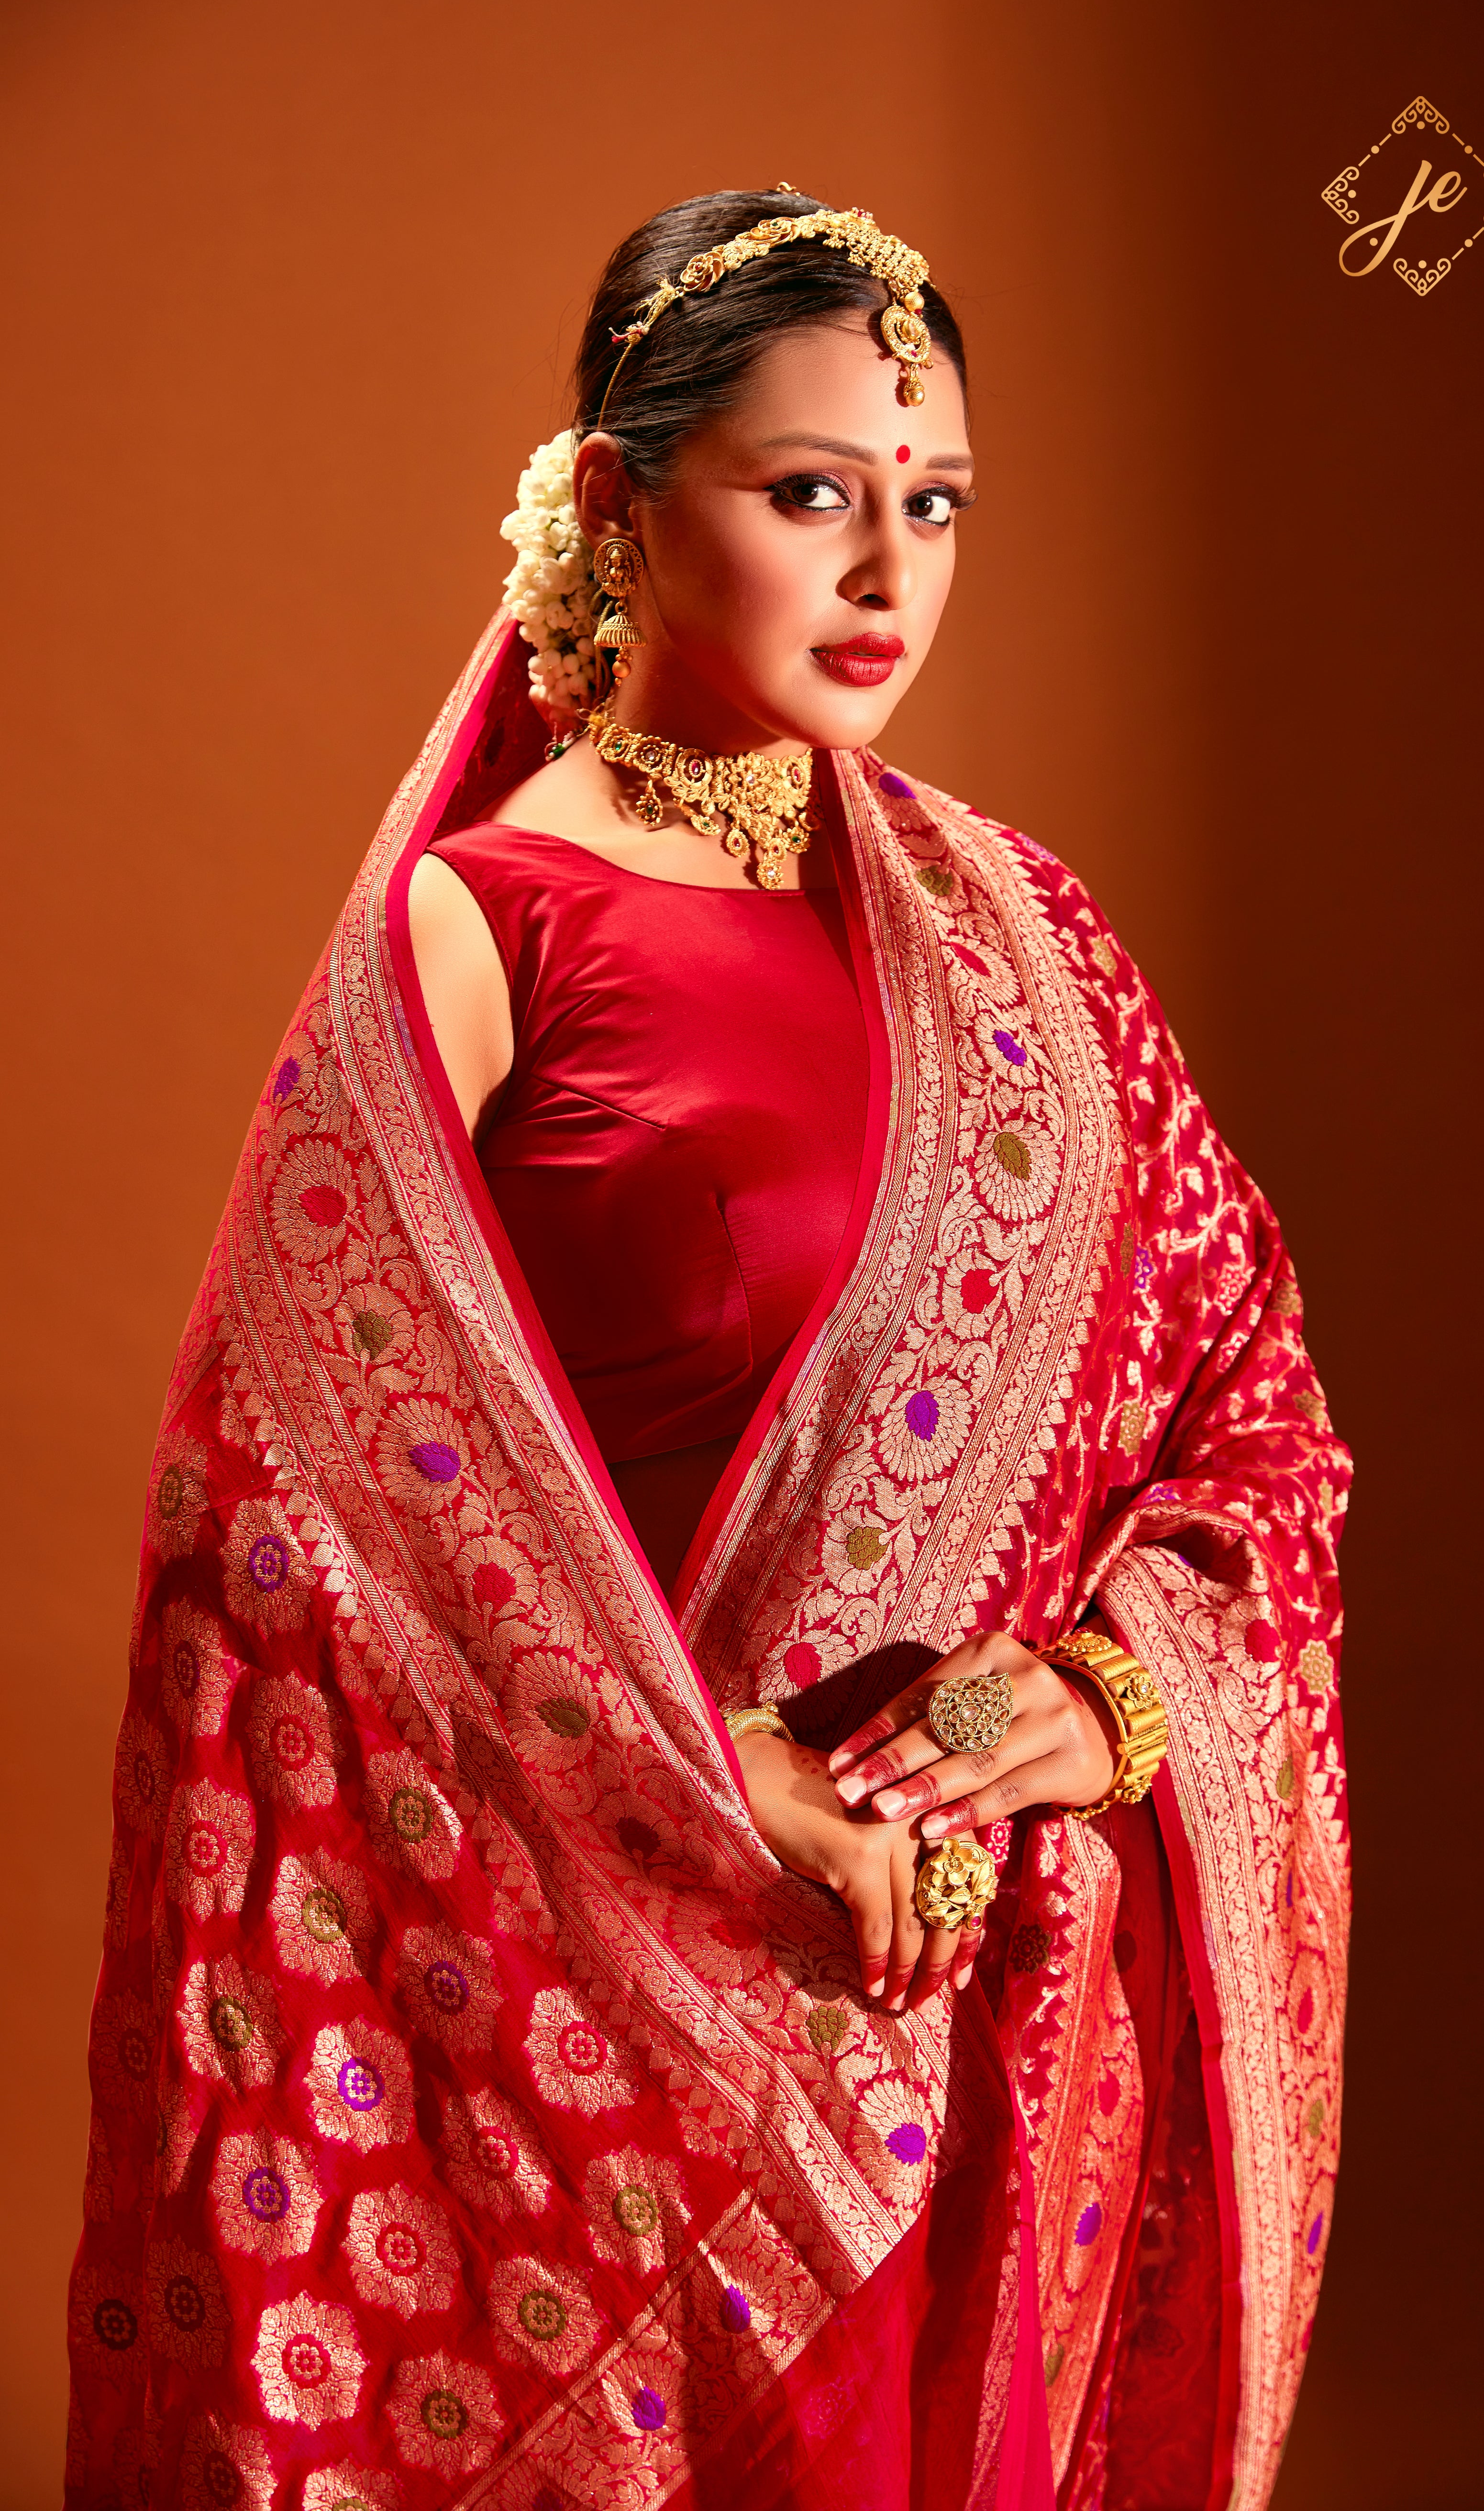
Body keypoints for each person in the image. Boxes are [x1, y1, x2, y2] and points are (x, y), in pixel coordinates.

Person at [67, 188, 1351, 2511]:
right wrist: (719, 1776)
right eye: (813, 494)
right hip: (616, 2010)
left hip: (971, 2013)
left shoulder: (1025, 937)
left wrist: (1104, 1701)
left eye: (934, 504)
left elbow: (1250, 1390)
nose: (888, 574)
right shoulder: (482, 928)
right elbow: (286, 1521)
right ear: (618, 499)